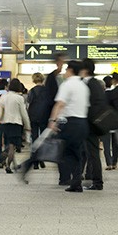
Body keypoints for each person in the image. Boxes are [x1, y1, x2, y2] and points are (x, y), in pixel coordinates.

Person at [47, 60, 90, 192]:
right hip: (83, 122)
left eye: (66, 70)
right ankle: (76, 181)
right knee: (77, 152)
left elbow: (60, 104)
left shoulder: (67, 84)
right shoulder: (84, 86)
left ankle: (69, 179)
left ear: (70, 70)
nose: (65, 73)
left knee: (65, 152)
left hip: (70, 122)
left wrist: (52, 120)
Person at [81, 58, 108, 191]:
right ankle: (90, 178)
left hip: (90, 124)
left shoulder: (88, 84)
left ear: (85, 70)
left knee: (92, 154)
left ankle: (97, 182)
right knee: (90, 153)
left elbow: (90, 105)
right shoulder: (96, 83)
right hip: (94, 123)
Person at [0, 79, 31, 174]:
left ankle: (13, 164)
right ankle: (7, 164)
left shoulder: (4, 97)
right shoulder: (19, 98)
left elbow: (0, 111)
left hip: (5, 123)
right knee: (13, 146)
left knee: (9, 143)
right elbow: (24, 113)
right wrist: (27, 125)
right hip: (16, 124)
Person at [27, 73, 47, 170]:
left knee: (34, 138)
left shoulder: (31, 91)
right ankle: (42, 158)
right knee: (43, 138)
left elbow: (28, 103)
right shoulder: (47, 91)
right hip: (44, 117)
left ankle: (35, 162)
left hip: (33, 117)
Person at [101, 75, 118, 170]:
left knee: (106, 144)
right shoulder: (115, 94)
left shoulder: (101, 95)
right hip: (114, 121)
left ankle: (109, 163)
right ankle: (115, 162)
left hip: (104, 122)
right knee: (115, 143)